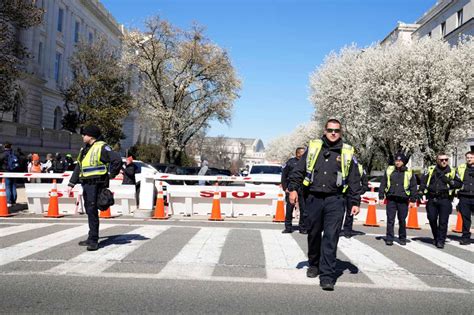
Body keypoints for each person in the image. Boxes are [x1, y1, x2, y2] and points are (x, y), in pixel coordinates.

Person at [288, 118, 361, 291]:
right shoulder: (313, 148)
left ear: (341, 132)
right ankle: (314, 264)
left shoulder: (347, 152)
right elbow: (298, 170)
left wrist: (355, 201)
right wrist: (292, 189)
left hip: (336, 200)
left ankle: (327, 275)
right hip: (313, 198)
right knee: (313, 233)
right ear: (324, 131)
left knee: (330, 236)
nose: (333, 133)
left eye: (336, 130)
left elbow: (354, 179)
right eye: (330, 130)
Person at [66, 125, 122, 251]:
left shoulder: (101, 147)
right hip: (86, 184)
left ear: (90, 136)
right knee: (89, 210)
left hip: (96, 184)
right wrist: (71, 183)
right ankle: (91, 236)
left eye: (84, 134)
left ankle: (93, 240)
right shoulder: (85, 149)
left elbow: (117, 159)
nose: (82, 136)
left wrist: (111, 174)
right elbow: (79, 167)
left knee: (92, 211)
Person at [419, 153, 462, 249]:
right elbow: (423, 182)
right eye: (442, 160)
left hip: (445, 199)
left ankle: (441, 240)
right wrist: (421, 191)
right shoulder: (430, 170)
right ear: (437, 160)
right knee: (432, 218)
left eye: (446, 159)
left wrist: (449, 181)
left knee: (443, 221)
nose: (444, 161)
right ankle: (436, 236)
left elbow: (459, 183)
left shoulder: (452, 171)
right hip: (432, 198)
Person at [378, 153, 417, 246]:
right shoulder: (389, 170)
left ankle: (402, 238)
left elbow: (413, 187)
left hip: (403, 200)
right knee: (390, 219)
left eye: (400, 161)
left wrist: (413, 200)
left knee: (402, 220)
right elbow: (383, 183)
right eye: (396, 160)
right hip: (391, 199)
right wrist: (380, 196)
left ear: (403, 162)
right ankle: (389, 238)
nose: (397, 162)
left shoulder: (409, 172)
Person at [281, 147, 307, 234]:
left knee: (304, 209)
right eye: (301, 153)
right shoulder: (290, 162)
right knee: (289, 208)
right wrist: (285, 188)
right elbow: (284, 176)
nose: (303, 154)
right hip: (291, 188)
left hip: (303, 188)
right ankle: (288, 227)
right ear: (297, 154)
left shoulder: (308, 162)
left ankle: (302, 227)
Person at [342, 162, 369, 238]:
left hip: (353, 194)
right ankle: (336, 229)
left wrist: (360, 192)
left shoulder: (360, 167)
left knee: (350, 213)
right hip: (342, 193)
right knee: (339, 212)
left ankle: (347, 231)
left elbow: (365, 182)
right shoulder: (342, 164)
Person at [455, 151, 474, 245]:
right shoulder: (461, 168)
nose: (469, 159)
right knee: (465, 218)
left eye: (471, 157)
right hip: (464, 197)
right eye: (468, 157)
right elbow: (457, 181)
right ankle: (465, 237)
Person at [0, 142, 20, 207]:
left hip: (6, 171)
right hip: (14, 172)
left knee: (7, 186)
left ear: (4, 147)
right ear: (11, 146)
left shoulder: (3, 154)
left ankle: (9, 201)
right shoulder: (14, 153)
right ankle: (14, 200)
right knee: (13, 186)